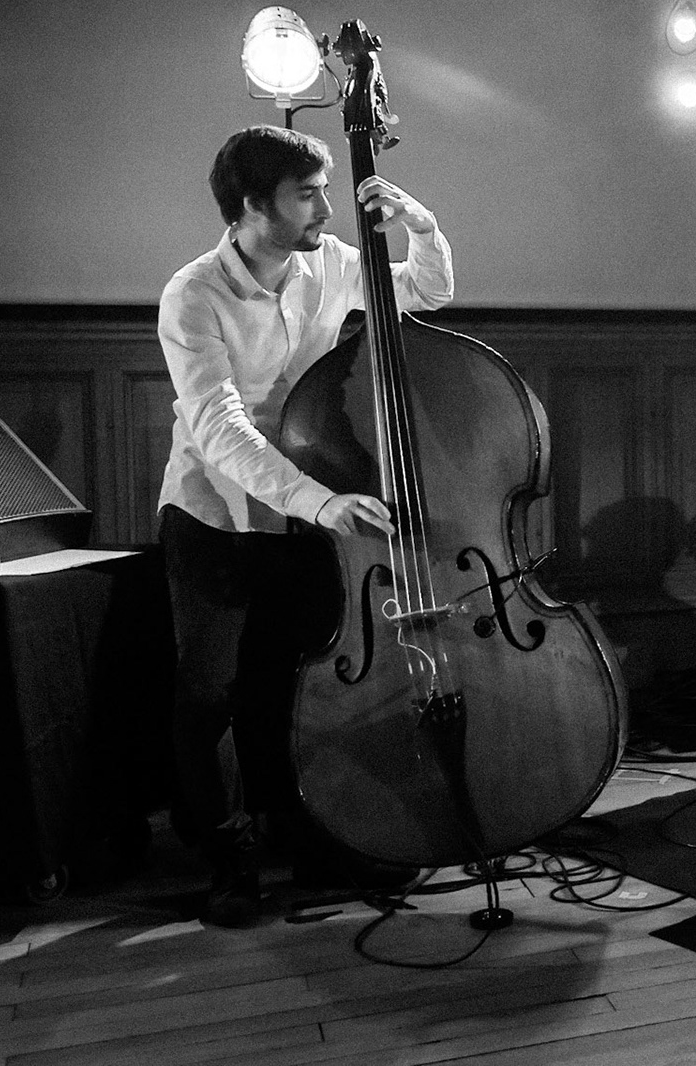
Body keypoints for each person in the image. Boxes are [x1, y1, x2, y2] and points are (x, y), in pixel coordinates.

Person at [157, 124, 453, 925]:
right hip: (214, 517)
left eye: (325, 188)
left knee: (286, 689)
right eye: (308, 193)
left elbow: (423, 294)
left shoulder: (332, 264)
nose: (330, 205)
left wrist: (422, 229)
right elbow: (222, 430)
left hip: (307, 516)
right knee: (208, 694)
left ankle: (305, 835)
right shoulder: (193, 295)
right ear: (254, 206)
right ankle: (225, 858)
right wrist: (322, 503)